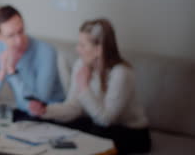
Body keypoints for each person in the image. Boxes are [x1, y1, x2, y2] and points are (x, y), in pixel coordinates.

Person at [38, 18, 151, 154]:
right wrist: (45, 110)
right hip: (98, 125)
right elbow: (73, 107)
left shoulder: (121, 73)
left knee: (94, 132)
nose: (77, 49)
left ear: (98, 49)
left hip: (131, 133)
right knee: (60, 123)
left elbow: (106, 120)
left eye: (82, 45)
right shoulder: (81, 64)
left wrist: (84, 86)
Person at [0, 5, 65, 125]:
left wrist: (12, 72)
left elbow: (38, 102)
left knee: (29, 119)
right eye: (11, 35)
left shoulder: (46, 51)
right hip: (22, 108)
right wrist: (2, 72)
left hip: (47, 111)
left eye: (21, 31)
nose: (19, 40)